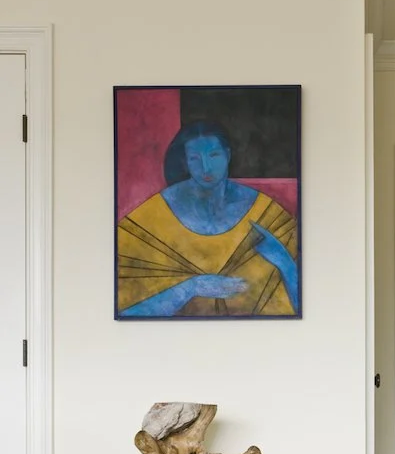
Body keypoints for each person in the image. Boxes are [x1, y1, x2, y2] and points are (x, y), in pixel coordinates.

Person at [117, 120, 299, 318]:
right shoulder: (151, 217)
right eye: (195, 158)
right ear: (185, 162)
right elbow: (123, 312)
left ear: (227, 155)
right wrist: (192, 287)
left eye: (214, 155)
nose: (206, 167)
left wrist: (285, 262)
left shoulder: (266, 214)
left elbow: (305, 305)